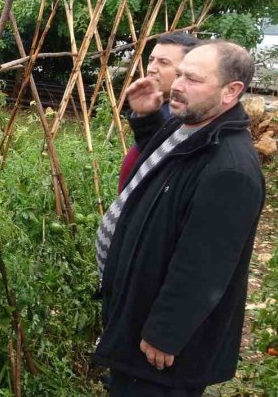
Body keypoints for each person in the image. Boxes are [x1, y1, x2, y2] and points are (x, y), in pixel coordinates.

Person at [94, 40, 265, 395]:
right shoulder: (189, 128)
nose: (178, 85)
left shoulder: (229, 168)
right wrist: (146, 119)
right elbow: (159, 171)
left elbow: (204, 266)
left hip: (160, 353)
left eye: (193, 79)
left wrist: (165, 333)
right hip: (137, 312)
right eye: (181, 74)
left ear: (231, 92)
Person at [117, 33, 199, 191]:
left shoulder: (186, 116)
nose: (151, 69)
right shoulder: (160, 104)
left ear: (186, 70)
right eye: (151, 60)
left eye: (163, 62)